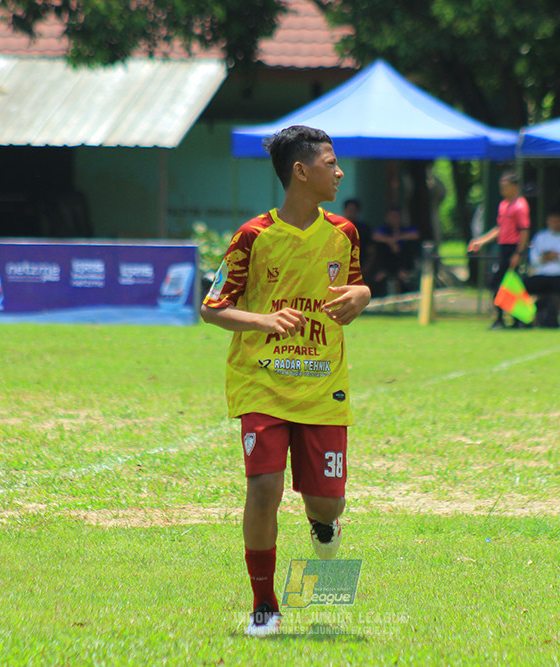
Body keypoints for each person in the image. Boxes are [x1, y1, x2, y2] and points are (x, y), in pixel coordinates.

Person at [200, 125, 371, 638]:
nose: (339, 172)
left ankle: (325, 523)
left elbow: (355, 289)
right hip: (263, 383)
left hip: (322, 385)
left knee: (326, 502)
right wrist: (263, 321)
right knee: (264, 488)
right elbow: (213, 308)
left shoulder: (344, 232)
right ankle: (264, 606)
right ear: (301, 171)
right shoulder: (252, 237)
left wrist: (362, 297)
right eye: (330, 163)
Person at [467, 171, 531, 328]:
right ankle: (508, 319)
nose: (502, 191)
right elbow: (499, 228)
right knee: (501, 283)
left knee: (507, 284)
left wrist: (518, 253)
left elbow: (524, 230)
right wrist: (481, 241)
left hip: (513, 248)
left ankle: (510, 319)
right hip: (503, 247)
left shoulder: (520, 206)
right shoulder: (503, 205)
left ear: (514, 187)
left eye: (505, 187)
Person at [525, 208, 560, 330]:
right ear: (547, 222)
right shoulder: (540, 236)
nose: (555, 224)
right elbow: (534, 260)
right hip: (543, 275)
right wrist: (551, 257)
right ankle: (522, 320)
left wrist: (554, 256)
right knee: (522, 285)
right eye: (552, 221)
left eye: (558, 221)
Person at [371, 206, 420, 290]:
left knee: (409, 246)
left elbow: (415, 235)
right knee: (381, 246)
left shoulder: (406, 228)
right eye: (392, 216)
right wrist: (390, 242)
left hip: (403, 256)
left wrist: (397, 239)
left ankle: (403, 270)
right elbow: (375, 236)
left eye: (396, 216)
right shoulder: (384, 229)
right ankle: (384, 270)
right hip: (389, 258)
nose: (394, 219)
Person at [342, 198, 376, 283]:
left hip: (361, 267)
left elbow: (372, 250)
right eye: (349, 210)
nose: (351, 213)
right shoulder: (338, 228)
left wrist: (366, 268)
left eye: (354, 210)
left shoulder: (365, 228)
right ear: (345, 211)